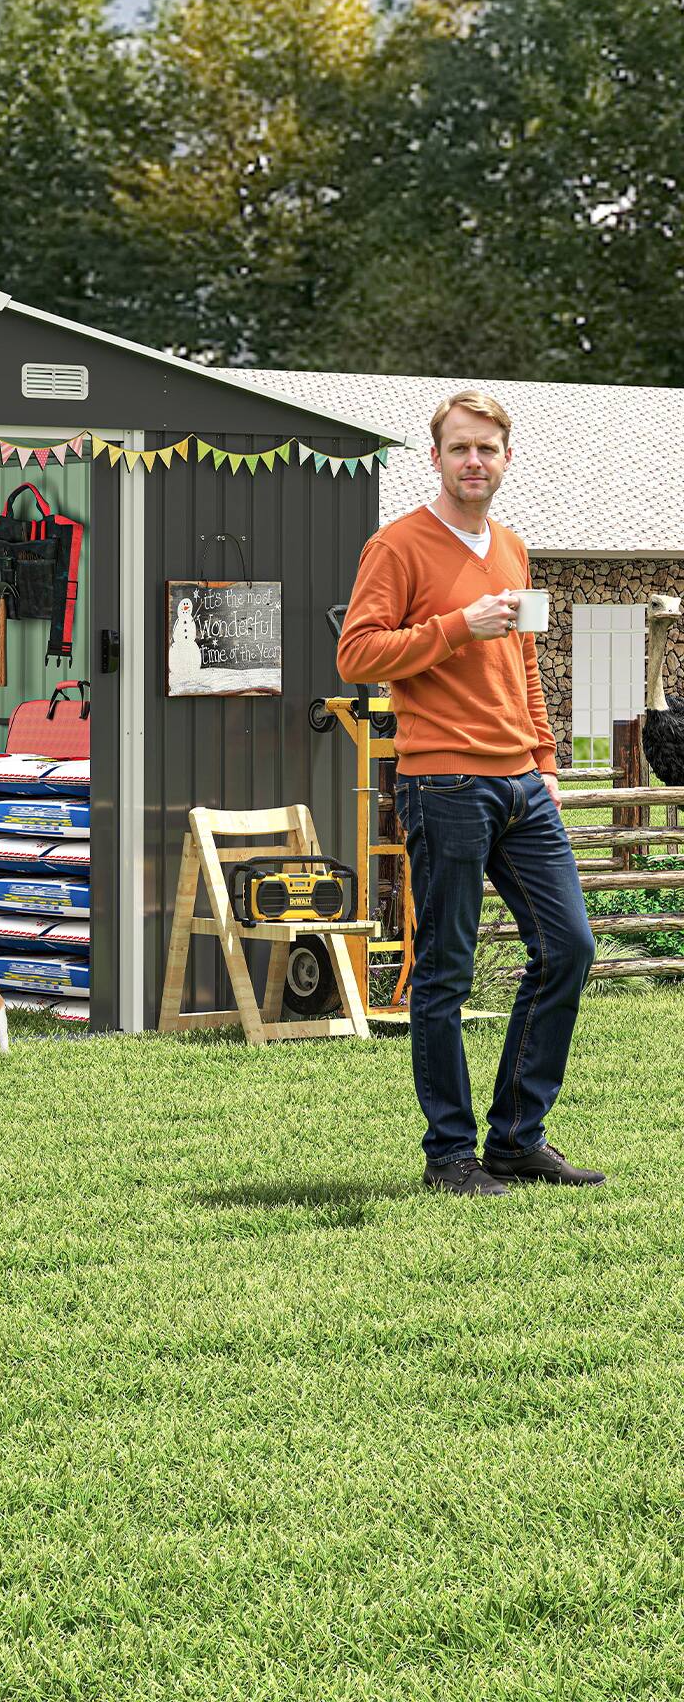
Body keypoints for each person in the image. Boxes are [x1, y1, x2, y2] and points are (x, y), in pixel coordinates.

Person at [338, 390, 601, 1197]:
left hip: (521, 780)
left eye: (487, 448)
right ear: (437, 457)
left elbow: (524, 660)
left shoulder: (514, 547)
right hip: (444, 782)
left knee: (569, 950)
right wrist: (457, 625)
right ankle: (449, 1156)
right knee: (446, 973)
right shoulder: (399, 545)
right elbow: (357, 655)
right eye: (460, 448)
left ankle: (518, 1140)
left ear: (506, 458)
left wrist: (547, 758)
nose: (474, 461)